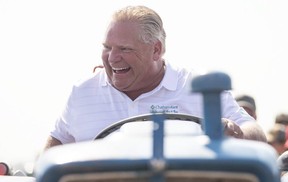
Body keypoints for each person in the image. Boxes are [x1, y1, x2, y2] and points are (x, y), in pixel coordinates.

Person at [44, 5, 267, 151]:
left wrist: (236, 132)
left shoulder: (195, 87)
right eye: (107, 47)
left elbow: (254, 131)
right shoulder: (83, 92)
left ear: (156, 50)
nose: (112, 58)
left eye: (124, 48)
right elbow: (57, 142)